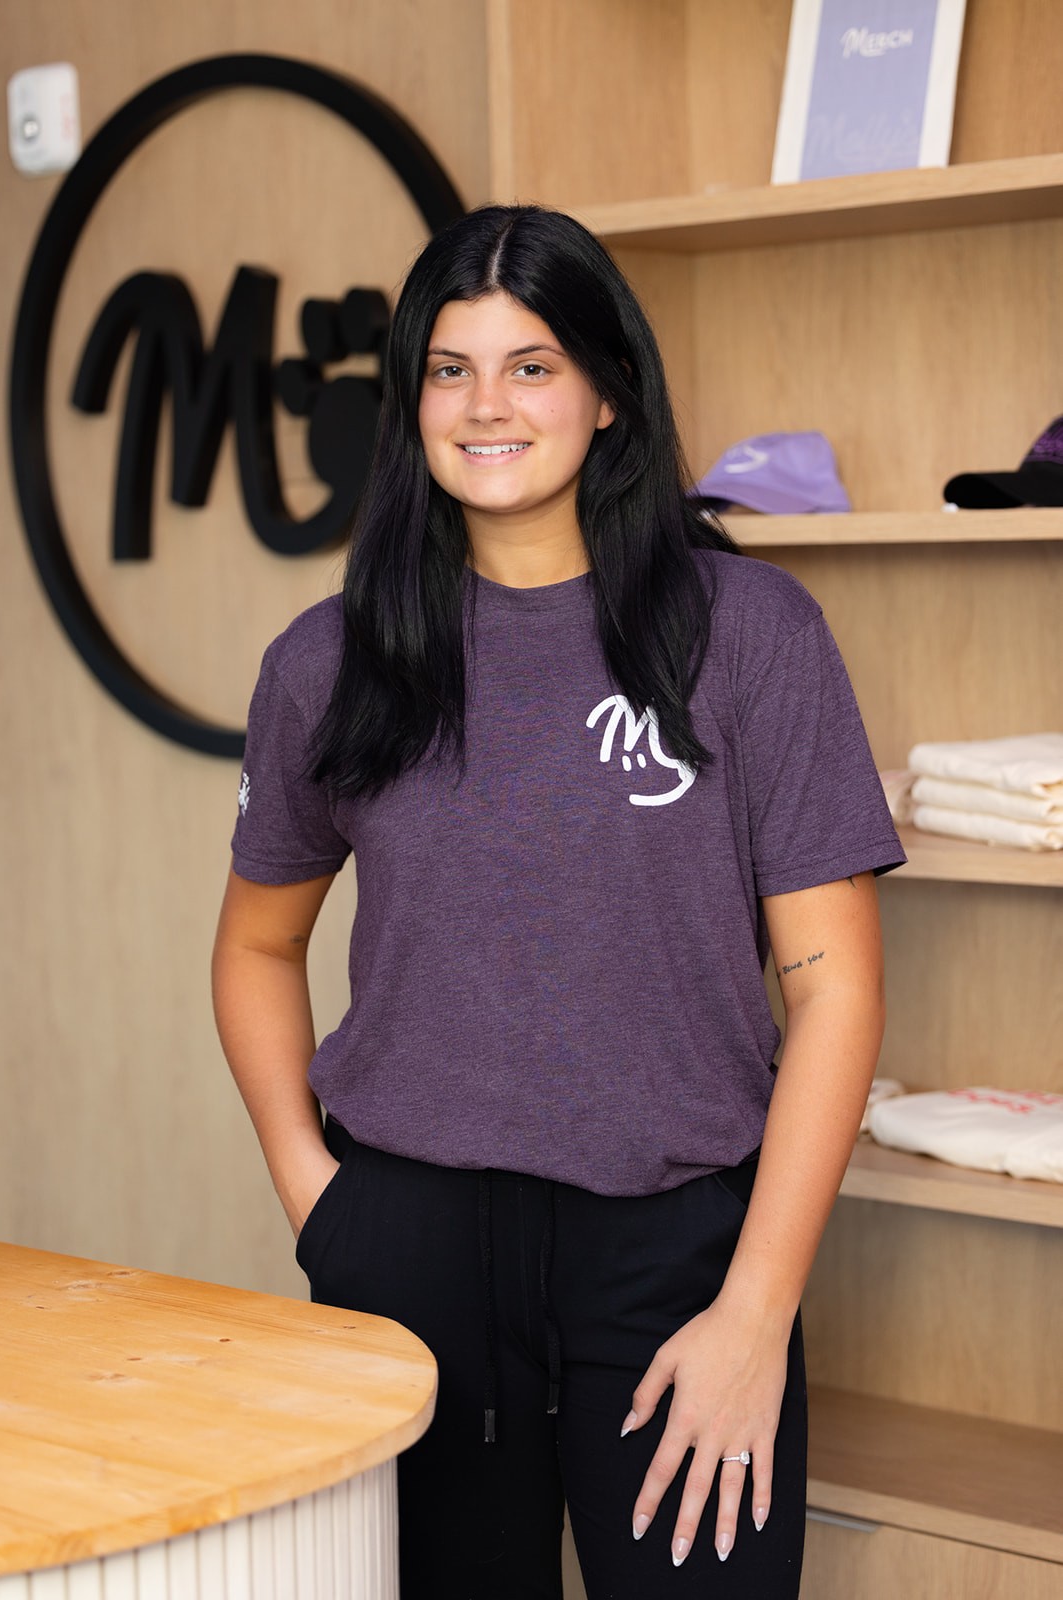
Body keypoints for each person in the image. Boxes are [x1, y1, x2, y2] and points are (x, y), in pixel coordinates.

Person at [212, 204, 904, 1599]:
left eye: (532, 366)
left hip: (680, 1261)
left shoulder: (750, 635)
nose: (488, 406)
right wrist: (320, 1203)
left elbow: (835, 990)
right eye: (450, 369)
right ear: (411, 402)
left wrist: (756, 1309)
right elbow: (257, 946)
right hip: (408, 1256)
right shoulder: (329, 662)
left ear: (607, 392)